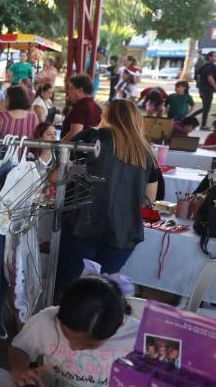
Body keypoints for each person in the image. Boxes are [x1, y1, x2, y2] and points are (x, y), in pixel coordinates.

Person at [56, 100, 158, 296]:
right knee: (99, 295)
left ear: (107, 116)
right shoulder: (146, 153)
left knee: (67, 292)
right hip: (123, 234)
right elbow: (148, 200)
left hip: (83, 226)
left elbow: (57, 173)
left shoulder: (92, 137)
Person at [10, 276, 138, 387]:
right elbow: (20, 349)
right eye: (66, 335)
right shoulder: (47, 321)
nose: (74, 347)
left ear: (119, 326)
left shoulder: (137, 338)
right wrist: (22, 373)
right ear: (59, 314)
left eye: (89, 345)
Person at [61, 74, 102, 141]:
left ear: (80, 90)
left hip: (75, 147)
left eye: (71, 88)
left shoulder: (80, 107)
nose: (68, 91)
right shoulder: (96, 107)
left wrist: (58, 145)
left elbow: (75, 133)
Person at [188, 51, 216, 130]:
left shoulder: (203, 65)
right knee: (206, 108)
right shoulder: (211, 66)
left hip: (201, 89)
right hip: (207, 89)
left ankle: (190, 118)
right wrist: (215, 87)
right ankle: (203, 125)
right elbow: (210, 78)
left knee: (205, 108)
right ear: (210, 57)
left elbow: (198, 77)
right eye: (215, 56)